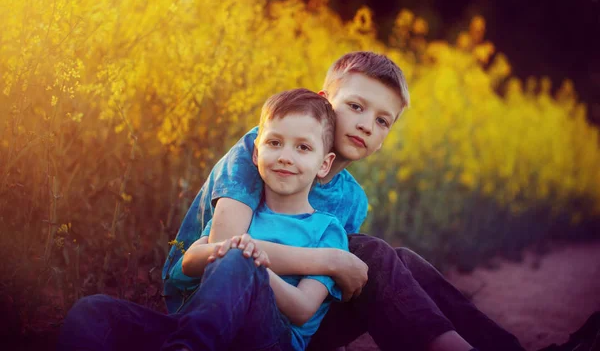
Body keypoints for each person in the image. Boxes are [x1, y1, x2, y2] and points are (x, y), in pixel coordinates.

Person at [164, 51, 524, 351]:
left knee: (399, 262)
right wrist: (333, 259)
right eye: (355, 106)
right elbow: (224, 249)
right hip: (216, 308)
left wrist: (335, 265)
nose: (367, 125)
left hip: (293, 319)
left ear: (384, 138)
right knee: (370, 254)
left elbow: (329, 288)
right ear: (324, 102)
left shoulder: (352, 198)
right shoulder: (262, 148)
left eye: (383, 121)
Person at [57, 89, 347, 350]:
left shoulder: (327, 231)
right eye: (275, 142)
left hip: (269, 340)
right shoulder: (242, 211)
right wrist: (235, 253)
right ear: (256, 153)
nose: (285, 156)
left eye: (303, 148)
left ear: (324, 164)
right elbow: (189, 261)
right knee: (94, 312)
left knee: (237, 260)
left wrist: (254, 267)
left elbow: (302, 309)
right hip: (196, 328)